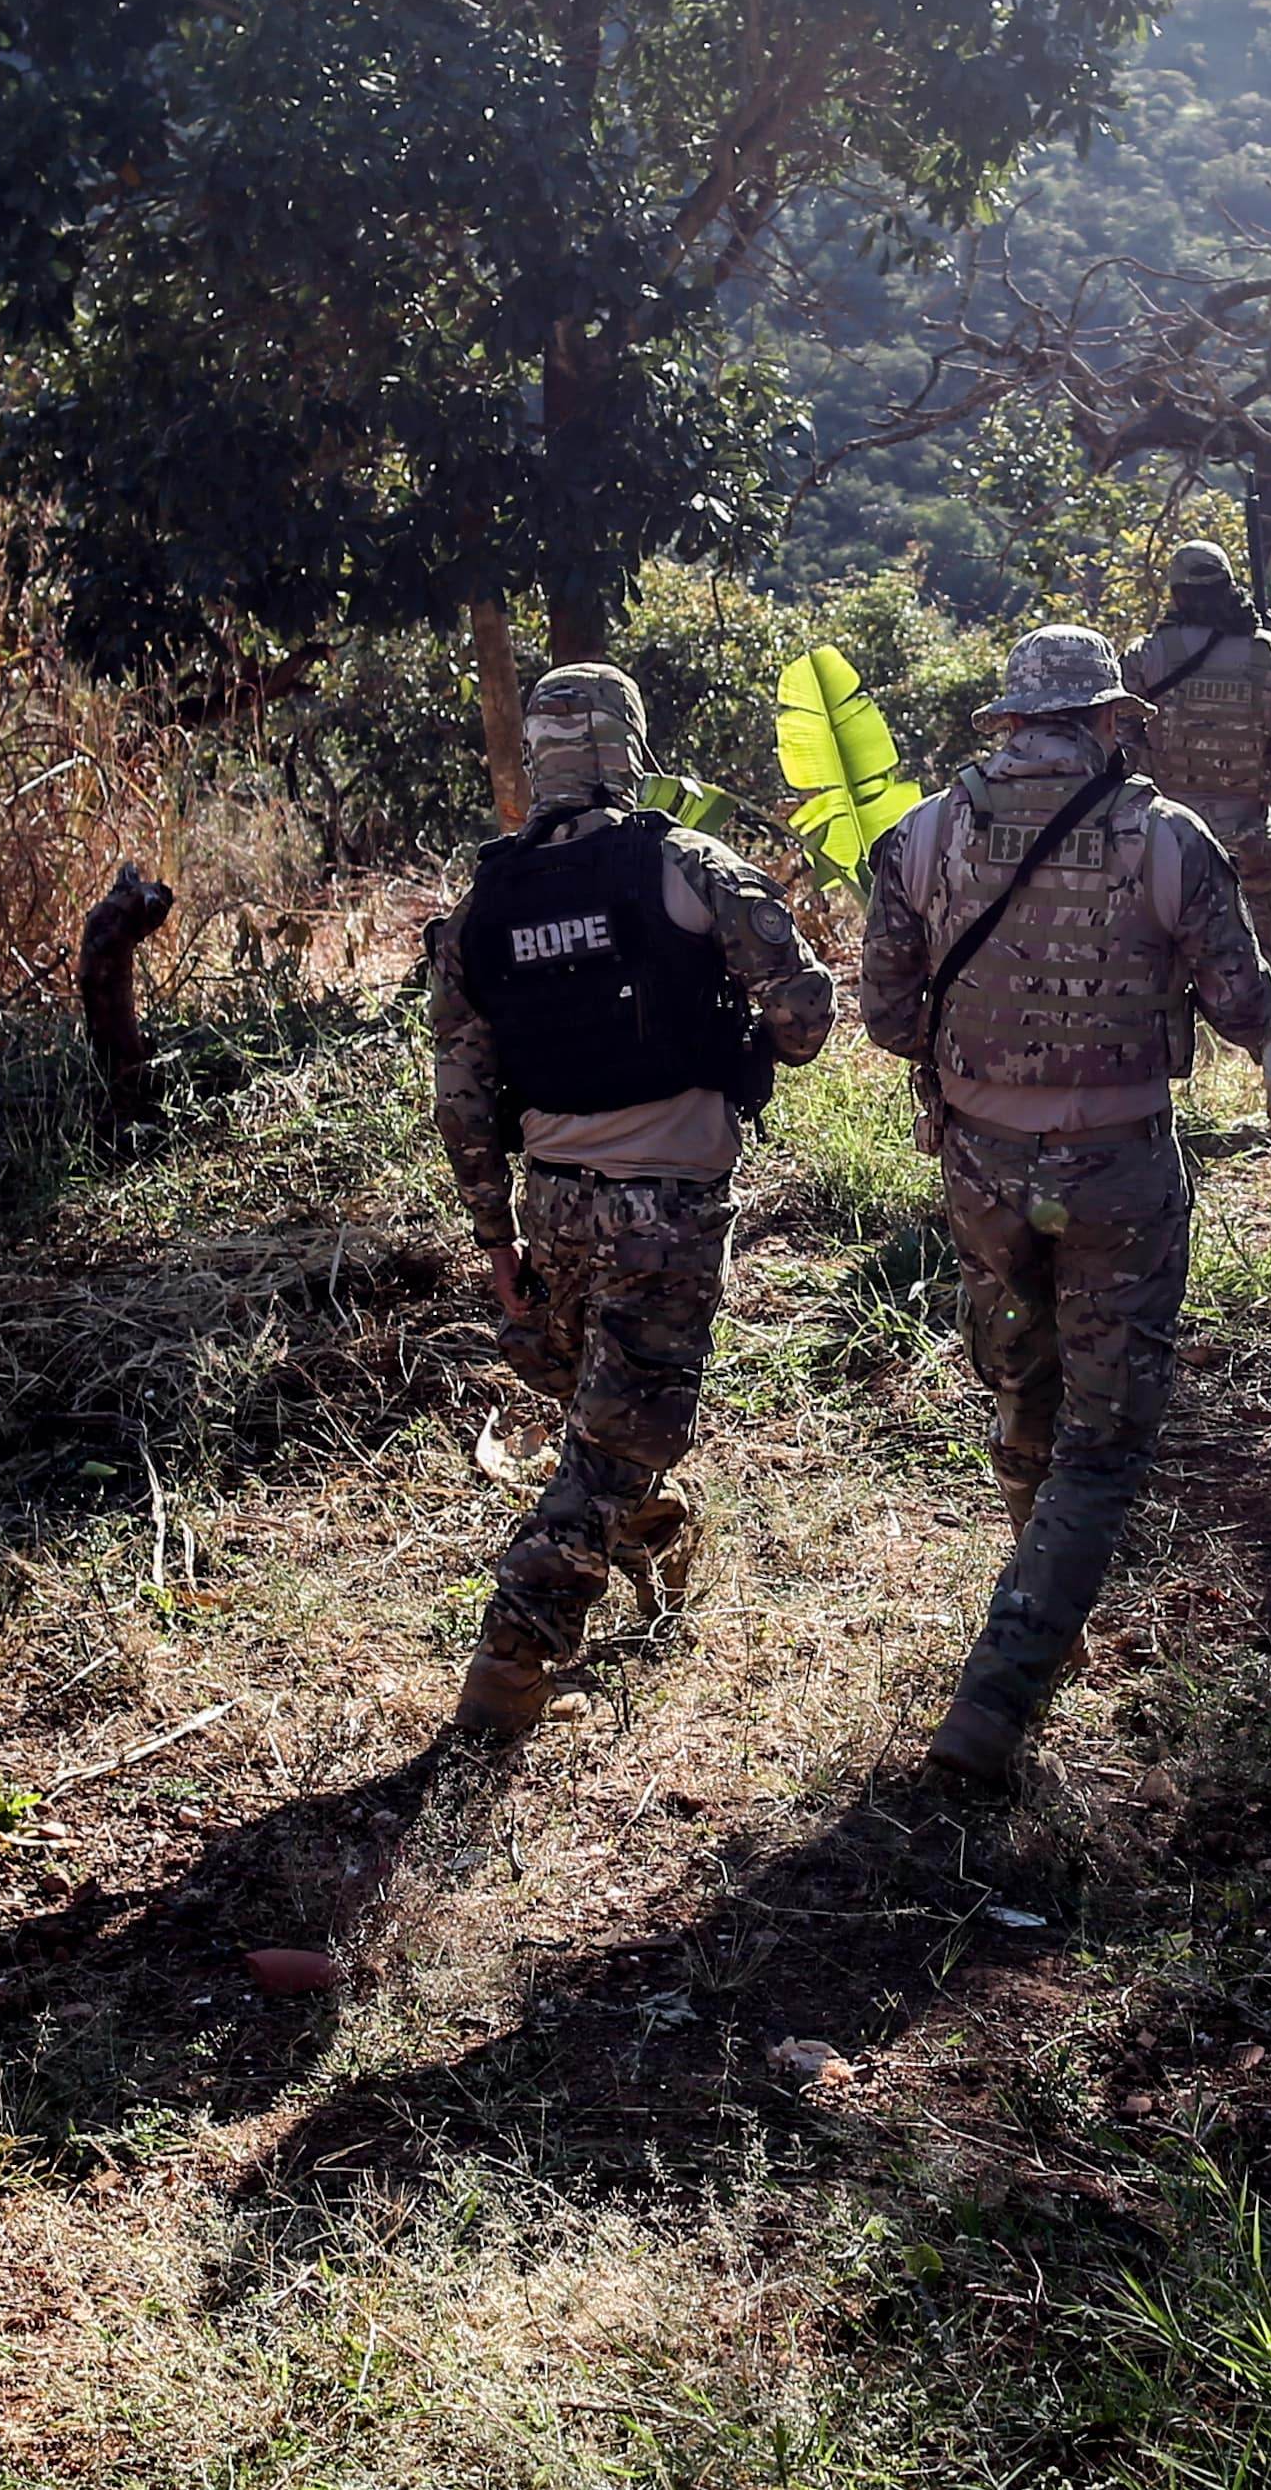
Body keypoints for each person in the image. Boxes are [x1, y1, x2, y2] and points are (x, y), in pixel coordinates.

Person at [856, 626, 1271, 1787]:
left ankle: (1034, 1596)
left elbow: (890, 1016)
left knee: (1023, 1383)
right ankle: (999, 1693)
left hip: (980, 1160)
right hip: (1115, 1165)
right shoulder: (1164, 836)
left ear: (1008, 721)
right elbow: (1236, 994)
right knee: (1103, 1445)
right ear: (1108, 719)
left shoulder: (919, 833)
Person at [425, 661, 839, 1742]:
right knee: (613, 1444)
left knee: (604, 1412)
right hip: (666, 1204)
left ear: (540, 757)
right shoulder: (688, 863)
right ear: (628, 745)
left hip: (554, 1204)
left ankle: (652, 1529)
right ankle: (510, 1664)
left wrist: (495, 1240)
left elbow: (461, 1096)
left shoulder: (483, 902)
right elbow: (799, 1018)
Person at [1126, 538, 1271, 979]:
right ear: (1228, 587)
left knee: (1142, 962)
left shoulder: (1146, 656)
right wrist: (1269, 775)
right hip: (1247, 835)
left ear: (1177, 593)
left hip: (1161, 840)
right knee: (1269, 968)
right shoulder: (1270, 657)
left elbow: (1112, 741)